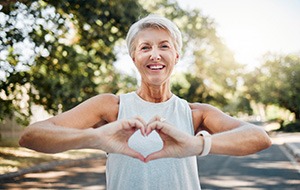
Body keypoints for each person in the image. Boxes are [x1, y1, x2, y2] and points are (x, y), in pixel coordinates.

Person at [19, 14, 272, 189]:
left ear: (176, 55)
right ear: (133, 58)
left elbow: (258, 137)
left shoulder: (196, 113)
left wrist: (196, 145)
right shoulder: (111, 107)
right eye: (144, 47)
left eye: (164, 46)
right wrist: (94, 138)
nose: (155, 54)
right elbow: (32, 136)